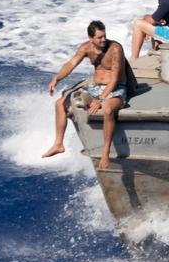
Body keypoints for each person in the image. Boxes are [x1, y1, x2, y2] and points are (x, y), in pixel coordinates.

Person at [43, 21, 129, 170]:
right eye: (99, 38)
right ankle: (58, 144)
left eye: (104, 36)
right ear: (91, 38)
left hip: (115, 88)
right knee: (59, 104)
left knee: (107, 110)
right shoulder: (86, 48)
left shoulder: (115, 48)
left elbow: (114, 79)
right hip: (95, 88)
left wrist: (101, 99)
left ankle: (105, 152)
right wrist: (56, 78)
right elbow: (71, 64)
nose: (103, 40)